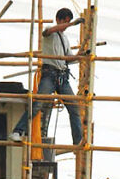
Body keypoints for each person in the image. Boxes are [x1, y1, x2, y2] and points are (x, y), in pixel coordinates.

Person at [10, 8, 84, 146]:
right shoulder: (50, 32)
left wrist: (81, 55)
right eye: (65, 22)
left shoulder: (64, 38)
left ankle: (78, 141)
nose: (66, 26)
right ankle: (18, 131)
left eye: (68, 23)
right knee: (37, 104)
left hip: (62, 77)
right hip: (49, 75)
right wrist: (73, 24)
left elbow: (68, 58)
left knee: (74, 108)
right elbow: (48, 31)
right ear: (59, 20)